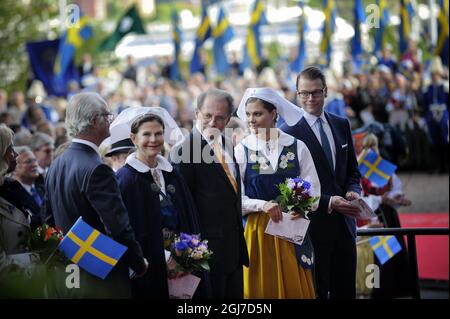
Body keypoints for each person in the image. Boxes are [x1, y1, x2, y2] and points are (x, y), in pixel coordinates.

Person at [43, 92, 148, 298]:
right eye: (107, 115)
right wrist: (139, 263)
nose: (110, 120)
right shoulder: (97, 169)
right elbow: (118, 227)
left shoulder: (57, 163)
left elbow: (48, 220)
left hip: (70, 274)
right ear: (94, 121)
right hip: (101, 277)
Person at [281, 66, 361, 299]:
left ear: (326, 92)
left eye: (316, 92)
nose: (310, 98)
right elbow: (290, 185)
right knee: (317, 290)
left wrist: (353, 191)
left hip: (345, 225)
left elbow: (352, 170)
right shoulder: (288, 132)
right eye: (304, 93)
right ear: (297, 94)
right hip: (312, 228)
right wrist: (327, 201)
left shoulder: (341, 124)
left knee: (346, 290)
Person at [235, 88, 320, 298]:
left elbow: (314, 190)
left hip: (291, 230)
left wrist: (303, 206)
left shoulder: (297, 147)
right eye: (248, 114)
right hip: (257, 233)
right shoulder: (241, 150)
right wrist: (261, 205)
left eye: (257, 114)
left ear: (273, 114)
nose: (251, 120)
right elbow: (235, 199)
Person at [114, 107, 205, 298]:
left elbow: (188, 215)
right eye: (146, 134)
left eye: (158, 134)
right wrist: (166, 259)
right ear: (133, 138)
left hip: (182, 263)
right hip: (148, 268)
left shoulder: (172, 173)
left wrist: (187, 254)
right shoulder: (126, 179)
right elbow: (127, 230)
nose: (153, 140)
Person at [172, 88, 249, 299]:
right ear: (197, 113)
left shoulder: (226, 142)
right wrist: (189, 255)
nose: (213, 122)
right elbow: (181, 209)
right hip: (205, 257)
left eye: (220, 117)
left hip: (233, 251)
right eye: (207, 115)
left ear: (229, 118)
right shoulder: (183, 151)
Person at [357, 133, 412, 299]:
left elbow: (395, 186)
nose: (371, 150)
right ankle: (377, 291)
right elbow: (359, 199)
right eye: (367, 146)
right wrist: (381, 198)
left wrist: (398, 198)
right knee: (378, 258)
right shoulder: (357, 169)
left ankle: (395, 290)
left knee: (392, 254)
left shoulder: (382, 167)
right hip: (371, 217)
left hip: (388, 216)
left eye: (374, 146)